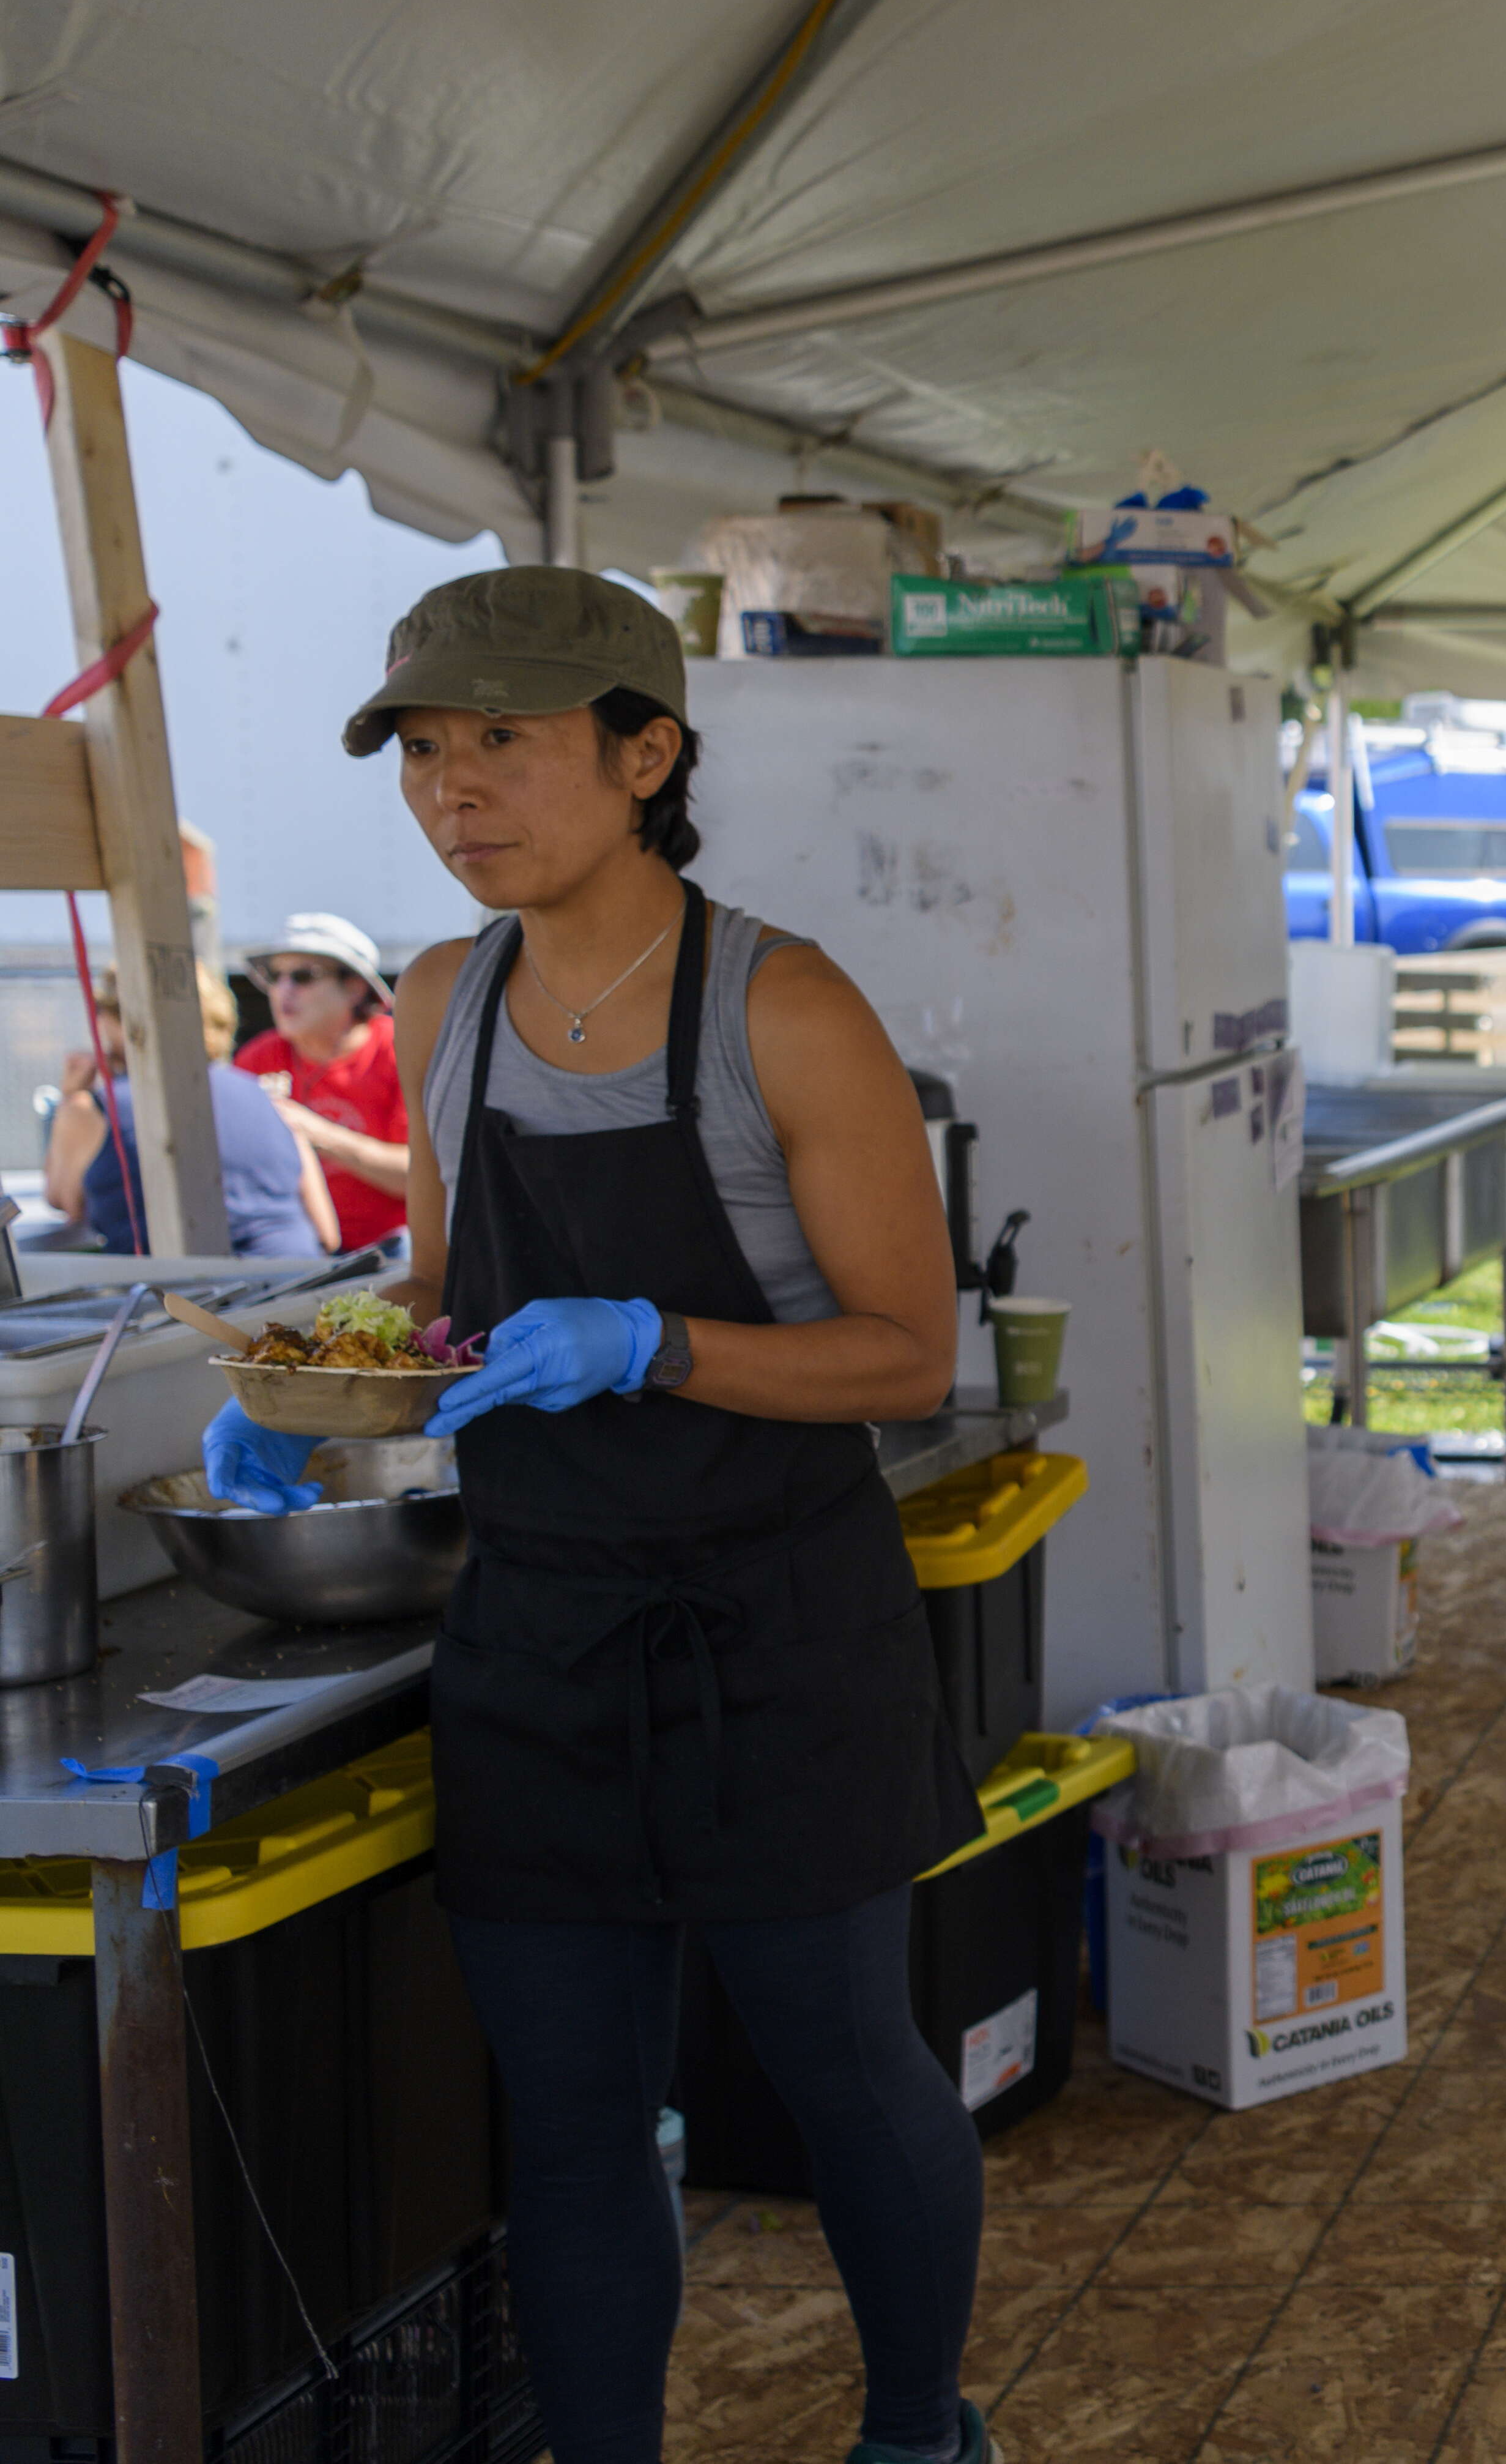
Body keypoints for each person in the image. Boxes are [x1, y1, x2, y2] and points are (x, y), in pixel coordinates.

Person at [198, 567, 992, 2464]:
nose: (454, 793)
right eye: (425, 750)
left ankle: (913, 2436)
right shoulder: (444, 995)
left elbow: (903, 1358)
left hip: (778, 1625)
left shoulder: (783, 1007)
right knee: (565, 2116)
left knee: (845, 2072)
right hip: (539, 1626)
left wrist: (654, 1340)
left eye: (506, 743)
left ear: (648, 755)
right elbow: (458, 1292)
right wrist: (323, 1392)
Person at [42, 961, 335, 1257]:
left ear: (122, 1021)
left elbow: (64, 1200)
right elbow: (328, 1234)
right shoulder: (268, 1098)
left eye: (100, 1011)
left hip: (181, 1295)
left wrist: (71, 1096)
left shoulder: (94, 1109)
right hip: (297, 1278)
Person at [238, 911, 415, 1249]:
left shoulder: (401, 1051)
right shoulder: (256, 1058)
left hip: (391, 1250)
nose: (283, 990)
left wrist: (315, 1132)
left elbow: (419, 1178)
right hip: (296, 1251)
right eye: (276, 976)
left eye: (303, 976)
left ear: (354, 987)